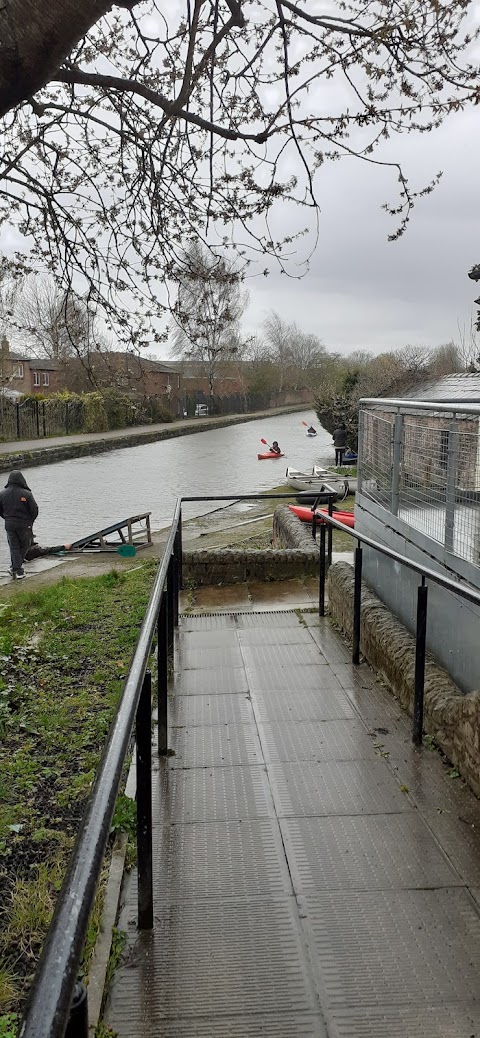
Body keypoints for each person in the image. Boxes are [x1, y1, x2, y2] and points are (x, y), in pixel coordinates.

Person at [0, 470, 38, 579]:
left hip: (9, 524)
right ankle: (18, 570)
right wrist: (30, 521)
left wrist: (6, 518)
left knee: (14, 546)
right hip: (24, 524)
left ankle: (14, 568)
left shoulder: (2, 494)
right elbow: (34, 510)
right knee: (26, 544)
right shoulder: (27, 493)